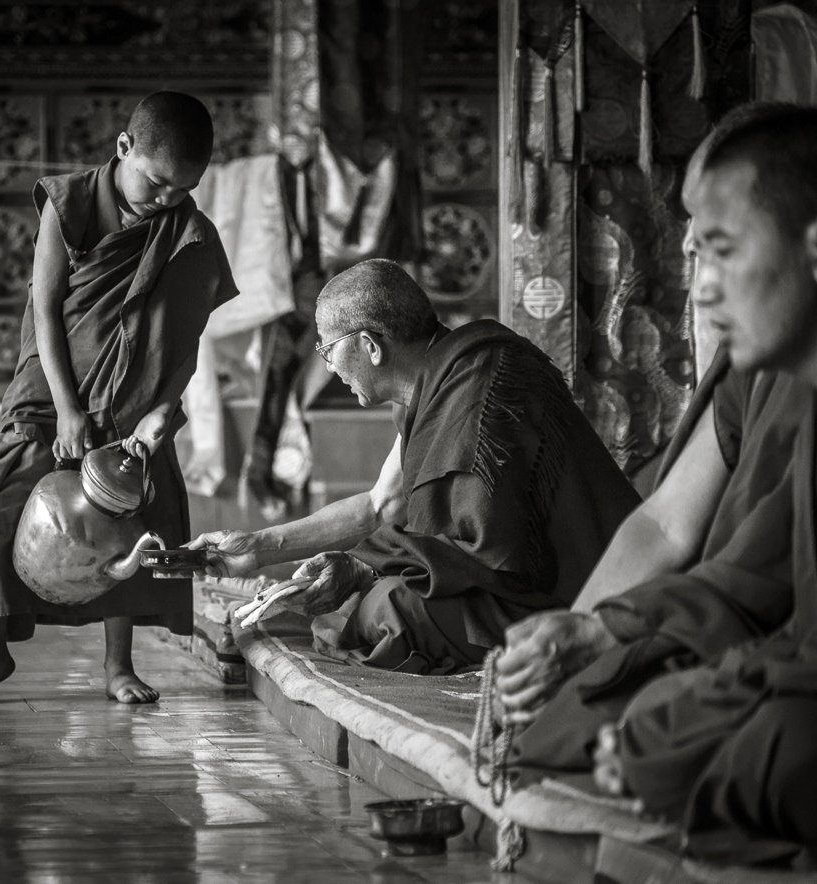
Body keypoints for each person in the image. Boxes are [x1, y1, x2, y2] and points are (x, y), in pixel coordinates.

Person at [511, 104, 817, 863]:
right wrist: (582, 631)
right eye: (690, 239)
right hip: (768, 643)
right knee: (598, 715)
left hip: (782, 663)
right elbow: (683, 532)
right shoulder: (774, 373)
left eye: (716, 244)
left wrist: (692, 712)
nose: (695, 277)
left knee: (757, 743)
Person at [193, 258, 640, 674]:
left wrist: (364, 567)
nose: (328, 367)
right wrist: (256, 548)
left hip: (578, 590)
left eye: (327, 350)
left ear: (369, 346)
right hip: (526, 578)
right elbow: (380, 506)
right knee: (364, 601)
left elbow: (492, 547)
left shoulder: (481, 391)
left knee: (390, 610)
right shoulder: (440, 379)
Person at [0, 91, 238, 705]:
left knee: (136, 519)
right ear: (124, 148)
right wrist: (66, 409)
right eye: (157, 182)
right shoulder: (70, 202)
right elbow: (47, 310)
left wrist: (164, 410)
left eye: (183, 188)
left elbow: (182, 341)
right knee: (2, 502)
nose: (166, 199)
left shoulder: (189, 233)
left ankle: (118, 665)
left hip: (136, 403)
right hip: (52, 386)